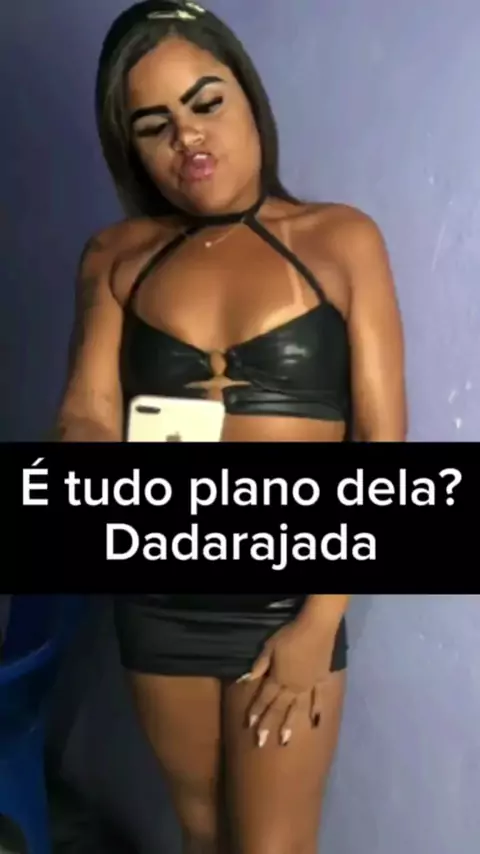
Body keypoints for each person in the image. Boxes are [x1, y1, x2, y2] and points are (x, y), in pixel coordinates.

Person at [54, 1, 406, 852]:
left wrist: (317, 624)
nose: (187, 137)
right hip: (158, 594)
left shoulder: (341, 239)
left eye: (205, 102)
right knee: (203, 835)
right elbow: (85, 411)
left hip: (289, 599)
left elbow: (383, 449)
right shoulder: (114, 256)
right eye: (154, 125)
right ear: (132, 148)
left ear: (249, 98)